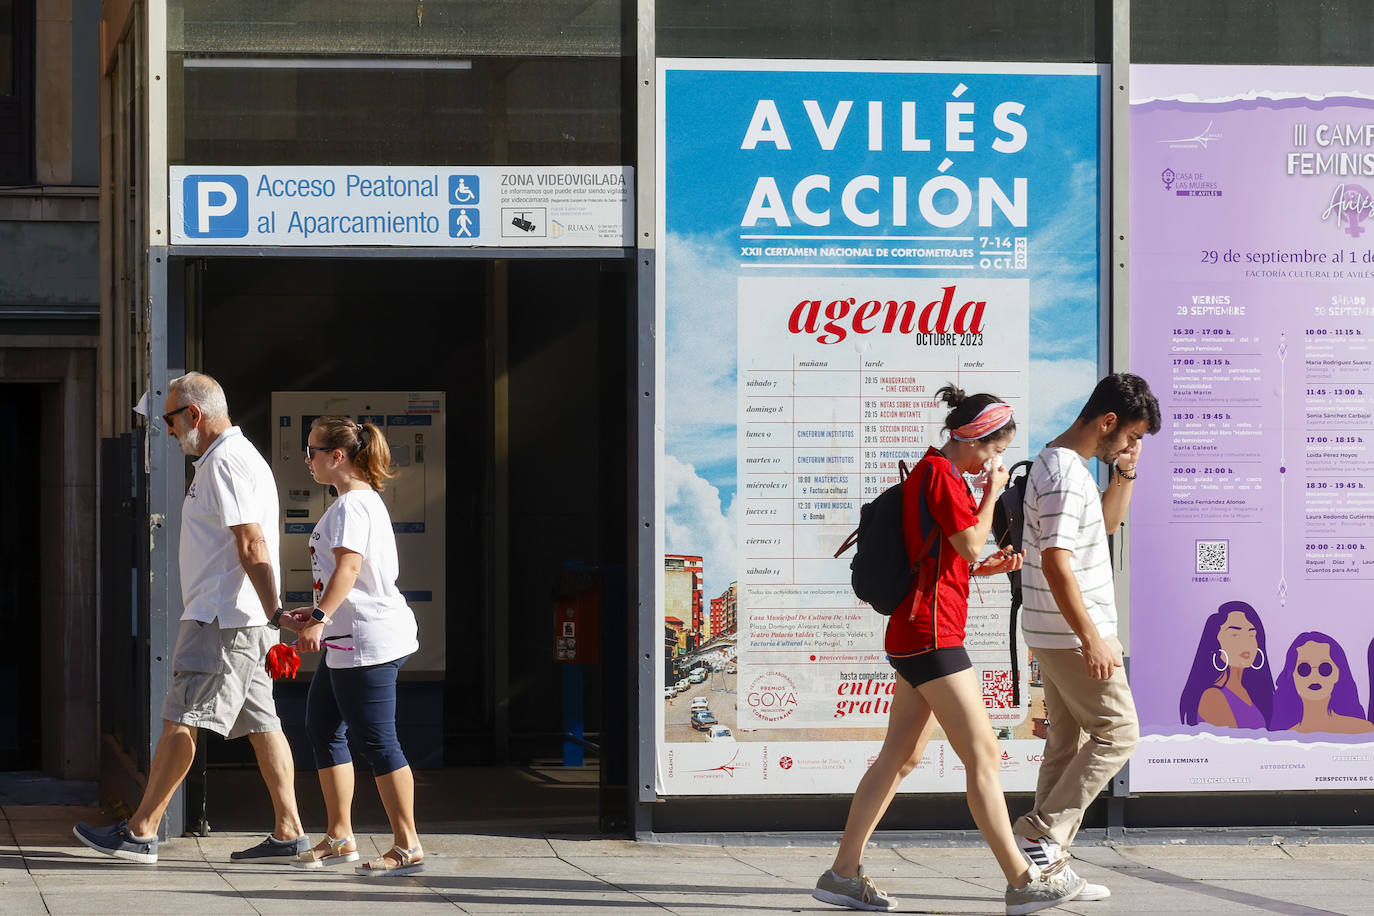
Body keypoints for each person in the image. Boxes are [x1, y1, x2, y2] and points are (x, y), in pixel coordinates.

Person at [814, 385, 1086, 915]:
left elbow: (948, 556)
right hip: (932, 637)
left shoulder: (934, 472)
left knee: (901, 756)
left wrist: (984, 566)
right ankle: (1022, 880)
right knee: (983, 754)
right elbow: (968, 541)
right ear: (980, 439)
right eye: (996, 450)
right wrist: (992, 492)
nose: (997, 461)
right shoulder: (941, 475)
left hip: (916, 632)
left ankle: (841, 873)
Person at [74, 372, 308, 863]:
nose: (169, 429)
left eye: (170, 419)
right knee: (264, 724)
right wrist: (269, 616)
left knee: (181, 719)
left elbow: (252, 543)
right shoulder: (231, 460)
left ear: (195, 415)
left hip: (221, 621)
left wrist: (274, 612)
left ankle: (141, 831)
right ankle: (290, 831)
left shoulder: (226, 463)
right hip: (235, 619)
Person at [1011, 372, 1160, 900]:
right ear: (1108, 421)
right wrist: (1093, 637)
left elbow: (1105, 526)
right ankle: (1042, 833)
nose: (1132, 446)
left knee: (1066, 742)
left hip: (1051, 630)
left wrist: (1126, 473)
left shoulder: (1063, 467)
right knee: (1119, 730)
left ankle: (1041, 875)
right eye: (1132, 437)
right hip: (1072, 633)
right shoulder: (1064, 475)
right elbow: (1055, 561)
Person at [281, 416, 424, 876]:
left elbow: (349, 568)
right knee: (322, 728)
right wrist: (320, 612)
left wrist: (319, 617)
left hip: (365, 640)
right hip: (350, 638)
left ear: (337, 456)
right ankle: (340, 835)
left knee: (378, 742)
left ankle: (407, 845)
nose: (308, 460)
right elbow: (348, 577)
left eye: (313, 451)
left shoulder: (351, 506)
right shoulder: (354, 502)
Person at [1178, 601, 1273, 729]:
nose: (1246, 642)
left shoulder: (1252, 691)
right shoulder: (1212, 697)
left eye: (1251, 634)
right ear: (1215, 642)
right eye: (1235, 634)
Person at [1268, 632, 1374, 734]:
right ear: (1292, 675)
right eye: (1304, 669)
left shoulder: (1363, 730)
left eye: (1325, 668)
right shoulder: (1283, 739)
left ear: (1338, 674)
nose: (1314, 677)